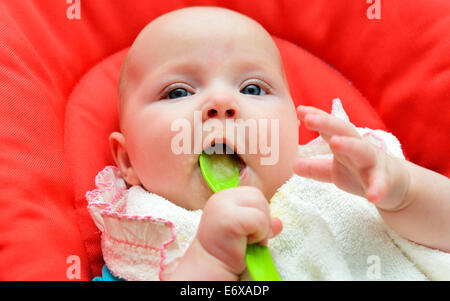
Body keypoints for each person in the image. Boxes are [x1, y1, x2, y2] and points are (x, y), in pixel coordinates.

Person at [86, 6, 450, 281]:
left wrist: (405, 194)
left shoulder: (345, 175)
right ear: (127, 159)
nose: (221, 104)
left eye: (252, 89)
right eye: (178, 91)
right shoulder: (143, 238)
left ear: (292, 128)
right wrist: (210, 262)